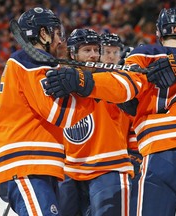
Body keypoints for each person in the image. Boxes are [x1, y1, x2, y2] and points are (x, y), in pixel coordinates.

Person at [45, 7, 176, 216]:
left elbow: (124, 87)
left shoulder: (146, 53)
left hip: (162, 148)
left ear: (158, 33)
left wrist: (84, 81)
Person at [0, 7, 95, 216]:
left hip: (33, 162)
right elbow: (58, 113)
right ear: (43, 33)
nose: (61, 41)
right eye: (57, 33)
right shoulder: (30, 61)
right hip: (26, 162)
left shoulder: (31, 62)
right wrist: (90, 91)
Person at [57, 28, 136, 216]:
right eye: (87, 50)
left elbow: (133, 109)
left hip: (108, 168)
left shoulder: (111, 79)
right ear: (73, 53)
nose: (93, 55)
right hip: (69, 169)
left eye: (96, 50)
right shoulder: (60, 79)